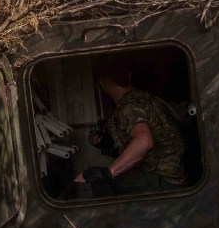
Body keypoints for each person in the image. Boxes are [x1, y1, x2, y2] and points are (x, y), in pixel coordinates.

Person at [75, 66, 186, 195]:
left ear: (102, 82)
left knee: (99, 163)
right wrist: (109, 141)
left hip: (159, 179)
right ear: (128, 76)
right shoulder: (145, 98)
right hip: (174, 174)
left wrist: (109, 172)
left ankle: (109, 214)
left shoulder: (128, 106)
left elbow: (144, 141)